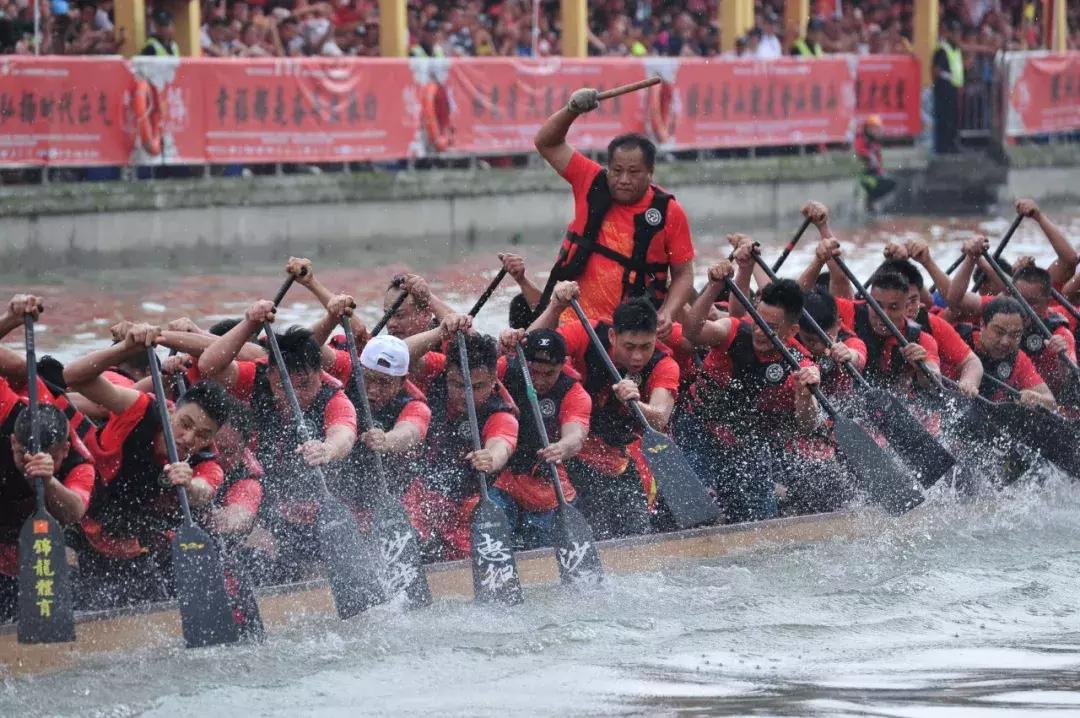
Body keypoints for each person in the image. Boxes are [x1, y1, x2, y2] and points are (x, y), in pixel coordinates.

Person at [63, 323, 231, 608]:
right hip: (79, 524)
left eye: (203, 435)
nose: (188, 438)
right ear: (171, 409)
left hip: (144, 547)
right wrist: (126, 348)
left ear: (212, 439)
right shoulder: (139, 407)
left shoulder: (206, 463)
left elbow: (204, 491)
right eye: (185, 424)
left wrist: (188, 484)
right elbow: (74, 377)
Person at [198, 302, 358, 583]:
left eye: (305, 385)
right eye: (286, 385)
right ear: (272, 373)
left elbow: (344, 433)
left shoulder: (333, 396)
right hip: (260, 494)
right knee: (258, 552)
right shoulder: (257, 376)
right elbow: (208, 366)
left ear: (319, 374)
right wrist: (249, 323)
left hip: (314, 506)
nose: (296, 395)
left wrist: (327, 449)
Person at [681, 257, 836, 520]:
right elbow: (692, 332)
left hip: (746, 445)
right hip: (698, 431)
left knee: (762, 516)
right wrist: (712, 288)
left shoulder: (801, 366)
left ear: (793, 330)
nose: (760, 332)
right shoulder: (731, 330)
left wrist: (804, 396)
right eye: (757, 320)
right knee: (700, 508)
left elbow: (808, 423)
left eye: (771, 327)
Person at [533, 92, 696, 339]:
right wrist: (572, 109)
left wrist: (668, 312)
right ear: (608, 167)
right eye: (617, 171)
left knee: (687, 342)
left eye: (634, 172)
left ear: (650, 172)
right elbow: (546, 143)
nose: (623, 180)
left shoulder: (670, 212)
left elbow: (683, 274)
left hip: (631, 333)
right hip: (573, 320)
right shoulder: (590, 180)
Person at [529, 285, 680, 539]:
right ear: (612, 336)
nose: (637, 356)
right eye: (629, 346)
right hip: (566, 445)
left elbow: (660, 416)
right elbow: (529, 350)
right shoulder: (587, 333)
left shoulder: (664, 364)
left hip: (618, 456)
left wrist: (637, 403)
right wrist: (556, 305)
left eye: (646, 346)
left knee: (636, 533)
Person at [402, 324, 518, 560]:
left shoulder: (501, 415)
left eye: (477, 387)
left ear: (494, 379)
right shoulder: (436, 371)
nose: (466, 395)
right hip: (420, 496)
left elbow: (501, 445)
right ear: (448, 373)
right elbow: (400, 354)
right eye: (458, 385)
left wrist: (490, 458)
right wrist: (441, 332)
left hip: (471, 505)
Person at [945, 236, 1077, 401]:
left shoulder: (1059, 334)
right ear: (983, 324)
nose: (1023, 307)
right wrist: (971, 258)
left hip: (1039, 397)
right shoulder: (1001, 308)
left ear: (1047, 303)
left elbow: (1070, 380)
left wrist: (1061, 360)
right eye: (1018, 298)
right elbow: (954, 300)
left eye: (1032, 303)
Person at [494, 329, 591, 548]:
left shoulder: (574, 392)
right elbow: (475, 372)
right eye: (534, 371)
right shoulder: (503, 368)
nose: (539, 380)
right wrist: (501, 347)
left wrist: (562, 447)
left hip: (543, 483)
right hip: (500, 477)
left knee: (543, 549)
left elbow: (576, 435)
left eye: (549, 374)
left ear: (563, 364)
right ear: (523, 361)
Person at [956, 297, 1055, 408]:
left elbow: (1051, 402)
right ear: (982, 324)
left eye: (1015, 335)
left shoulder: (1018, 358)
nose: (1005, 342)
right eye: (999, 332)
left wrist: (1037, 398)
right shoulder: (958, 338)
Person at [933, 19, 964, 154]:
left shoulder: (955, 49)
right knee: (945, 119)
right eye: (956, 33)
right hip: (944, 89)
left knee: (953, 118)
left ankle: (952, 145)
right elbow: (937, 70)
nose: (958, 36)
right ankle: (944, 147)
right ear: (950, 34)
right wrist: (949, 77)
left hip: (954, 89)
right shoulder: (943, 49)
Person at [855, 115, 896, 212]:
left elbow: (879, 162)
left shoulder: (875, 143)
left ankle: (871, 202)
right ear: (868, 128)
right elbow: (859, 151)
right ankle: (869, 202)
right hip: (862, 176)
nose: (877, 131)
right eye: (874, 128)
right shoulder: (860, 138)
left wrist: (881, 172)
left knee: (890, 182)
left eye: (878, 128)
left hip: (873, 174)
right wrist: (868, 156)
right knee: (875, 183)